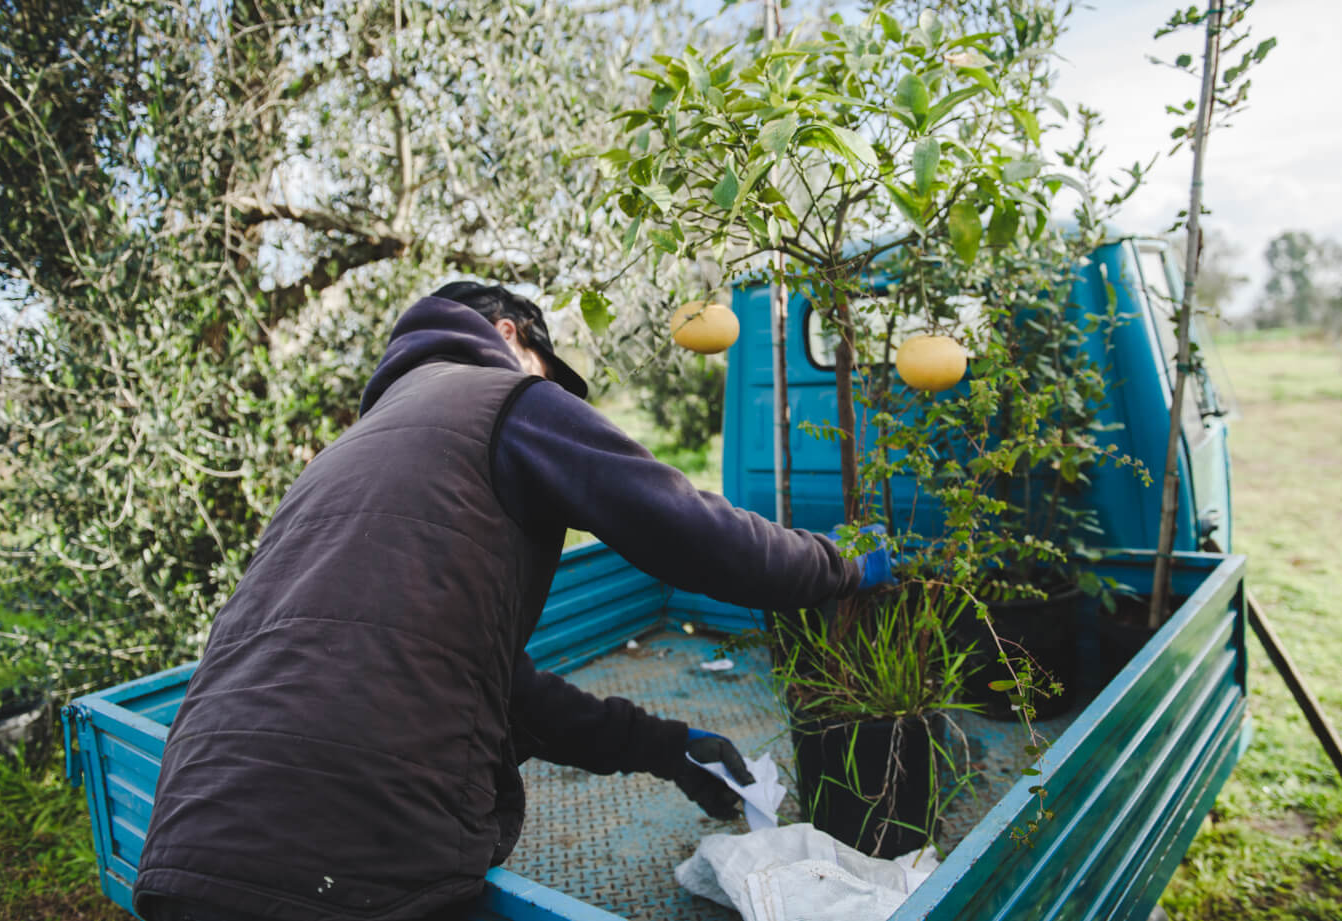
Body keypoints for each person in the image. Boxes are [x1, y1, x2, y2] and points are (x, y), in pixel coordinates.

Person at [133, 281, 891, 921]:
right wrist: (839, 566)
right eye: (553, 374)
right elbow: (691, 528)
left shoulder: (349, 451)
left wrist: (667, 747)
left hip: (189, 845)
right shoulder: (506, 397)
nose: (558, 397)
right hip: (358, 854)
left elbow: (479, 685)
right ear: (507, 334)